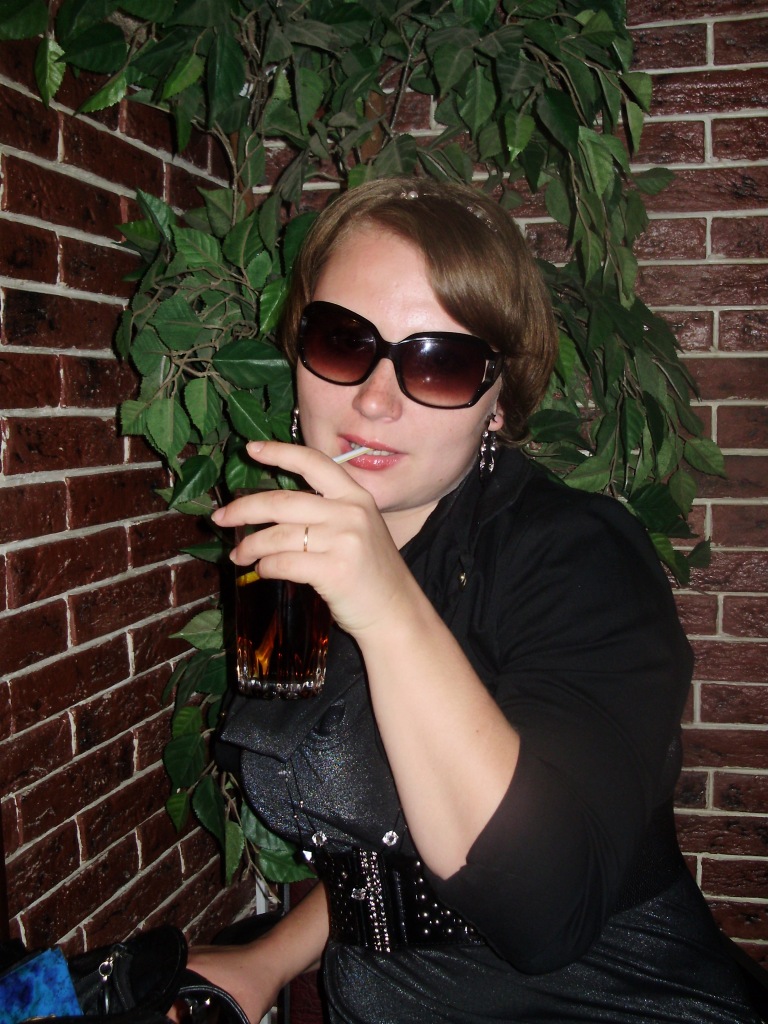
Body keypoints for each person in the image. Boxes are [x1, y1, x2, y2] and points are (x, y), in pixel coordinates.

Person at [186, 178, 761, 1023]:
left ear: (498, 401)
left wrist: (388, 609)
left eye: (440, 362)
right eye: (343, 341)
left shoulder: (580, 559)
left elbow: (544, 912)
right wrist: (265, 959)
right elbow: (391, 846)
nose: (374, 399)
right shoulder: (305, 558)